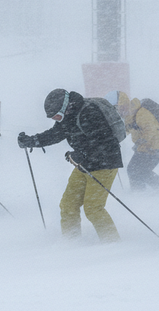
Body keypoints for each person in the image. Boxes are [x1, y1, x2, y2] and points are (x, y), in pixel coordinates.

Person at [17, 89, 123, 242]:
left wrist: (81, 154)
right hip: (84, 165)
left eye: (57, 116)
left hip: (105, 164)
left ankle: (113, 243)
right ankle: (71, 243)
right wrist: (31, 141)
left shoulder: (89, 112)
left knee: (93, 209)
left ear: (66, 106)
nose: (57, 119)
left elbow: (106, 142)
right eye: (54, 118)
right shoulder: (67, 117)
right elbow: (54, 134)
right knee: (67, 205)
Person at [106, 91, 159, 191]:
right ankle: (141, 192)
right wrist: (113, 140)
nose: (118, 111)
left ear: (124, 104)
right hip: (145, 147)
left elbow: (150, 130)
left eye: (118, 107)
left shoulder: (141, 112)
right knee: (134, 170)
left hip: (157, 146)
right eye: (115, 109)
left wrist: (142, 142)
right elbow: (126, 130)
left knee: (140, 171)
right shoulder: (128, 116)